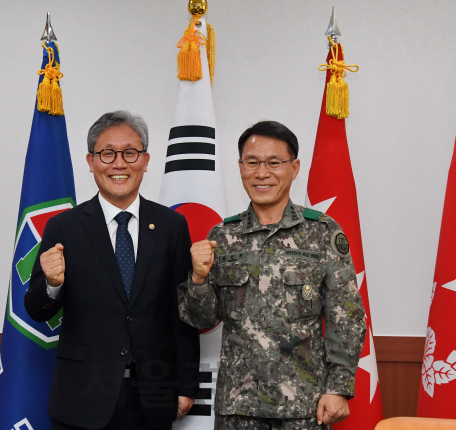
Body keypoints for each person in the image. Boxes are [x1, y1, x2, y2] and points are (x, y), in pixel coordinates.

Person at [177, 120, 366, 430]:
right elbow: (201, 320)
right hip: (238, 407)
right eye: (252, 163)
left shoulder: (321, 233)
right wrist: (198, 280)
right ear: (240, 167)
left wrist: (339, 387)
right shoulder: (222, 236)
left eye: (274, 163)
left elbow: (345, 316)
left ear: (294, 167)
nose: (261, 173)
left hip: (304, 407)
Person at [25, 111, 200, 430]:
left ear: (145, 160)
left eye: (130, 153)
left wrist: (187, 385)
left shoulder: (171, 226)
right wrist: (51, 284)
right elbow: (36, 310)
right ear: (91, 161)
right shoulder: (64, 227)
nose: (119, 163)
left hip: (152, 393)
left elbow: (182, 311)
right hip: (82, 394)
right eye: (107, 153)